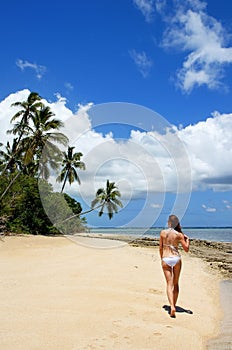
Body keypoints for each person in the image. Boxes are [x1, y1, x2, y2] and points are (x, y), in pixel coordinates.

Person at [159, 214, 190, 318]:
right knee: (175, 283)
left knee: (169, 283)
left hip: (166, 258)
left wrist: (162, 258)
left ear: (169, 222)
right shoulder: (179, 235)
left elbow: (160, 247)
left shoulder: (163, 233)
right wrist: (187, 239)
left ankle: (171, 306)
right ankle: (174, 305)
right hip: (176, 258)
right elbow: (186, 249)